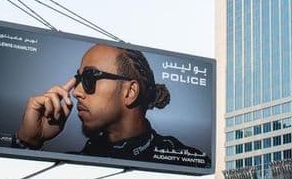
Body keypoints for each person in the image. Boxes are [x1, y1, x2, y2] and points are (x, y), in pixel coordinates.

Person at [15, 43, 210, 168]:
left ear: (130, 92)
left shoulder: (187, 159)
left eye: (90, 78)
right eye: (79, 79)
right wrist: (29, 141)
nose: (76, 92)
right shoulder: (76, 162)